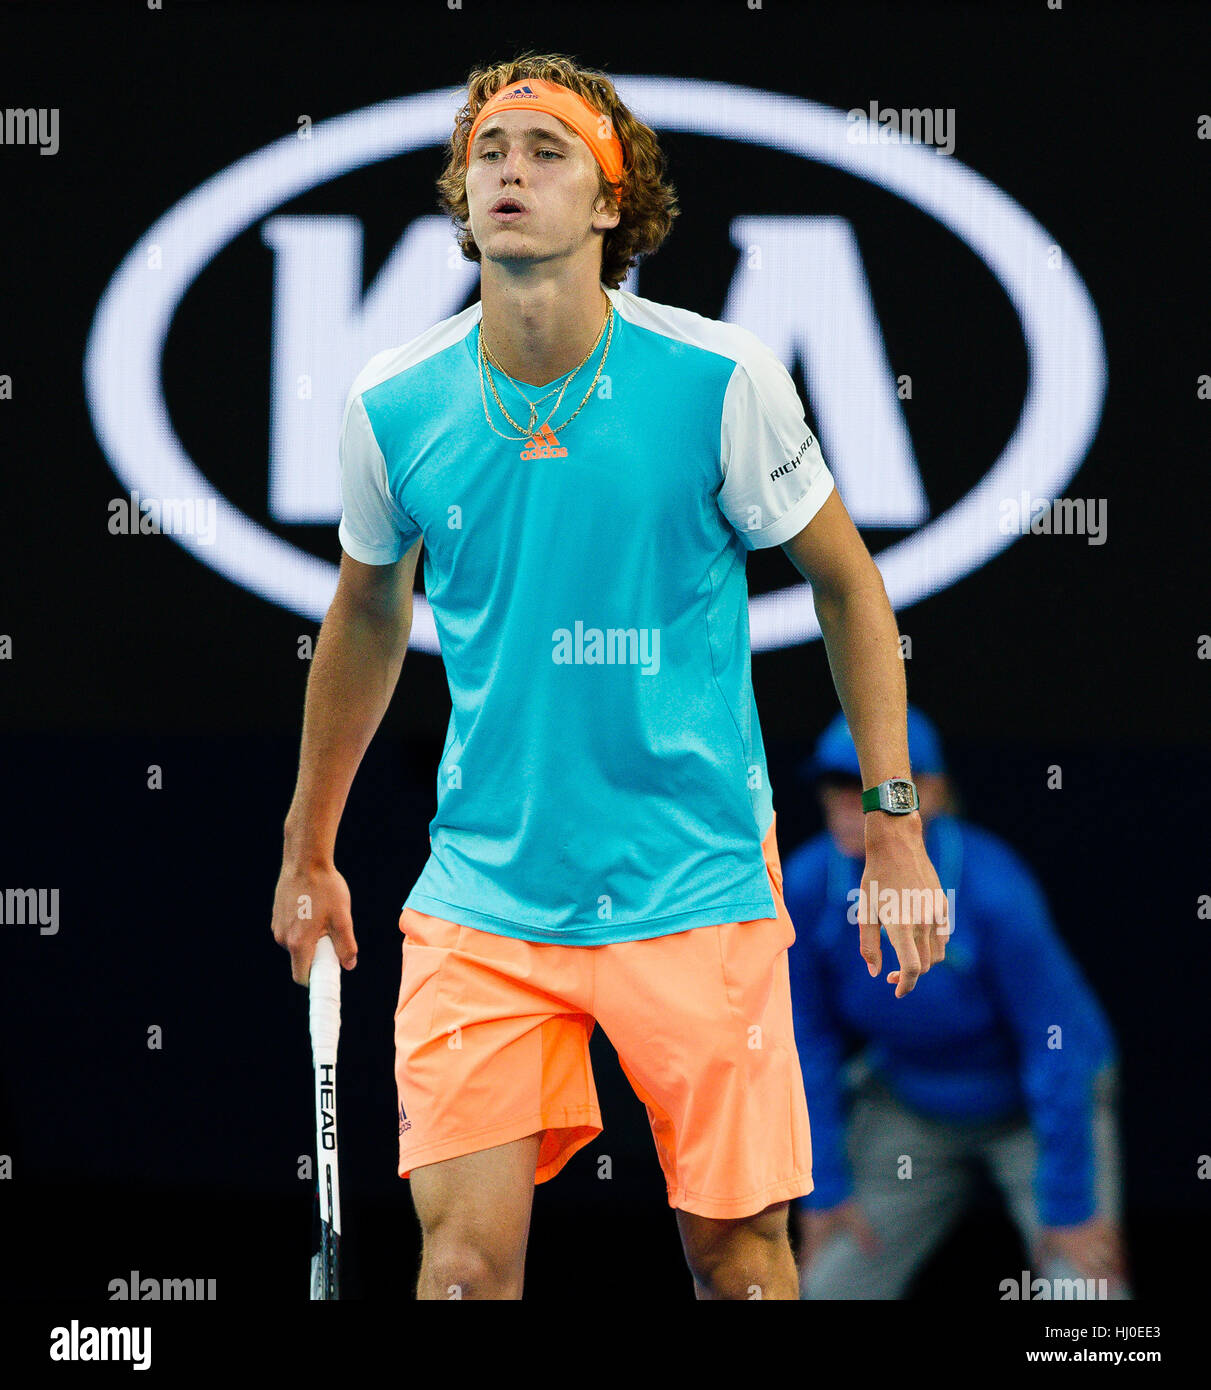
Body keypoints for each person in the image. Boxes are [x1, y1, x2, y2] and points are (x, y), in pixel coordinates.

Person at [270, 50, 948, 1301]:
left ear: (607, 203)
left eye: (545, 152)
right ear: (460, 196)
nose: (508, 172)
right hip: (485, 895)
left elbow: (851, 583)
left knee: (739, 1260)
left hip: (692, 885)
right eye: (487, 153)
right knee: (463, 1271)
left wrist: (893, 826)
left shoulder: (717, 382)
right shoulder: (392, 403)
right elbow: (365, 612)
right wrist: (310, 843)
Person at [785, 706, 1131, 1299]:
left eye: (873, 788)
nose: (850, 802)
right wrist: (825, 1190)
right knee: (828, 1286)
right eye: (837, 784)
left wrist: (1071, 1206)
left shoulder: (996, 889)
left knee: (1085, 1295)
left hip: (1038, 1106)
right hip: (911, 1102)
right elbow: (806, 1045)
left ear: (933, 792)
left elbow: (1057, 1048)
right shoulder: (806, 885)